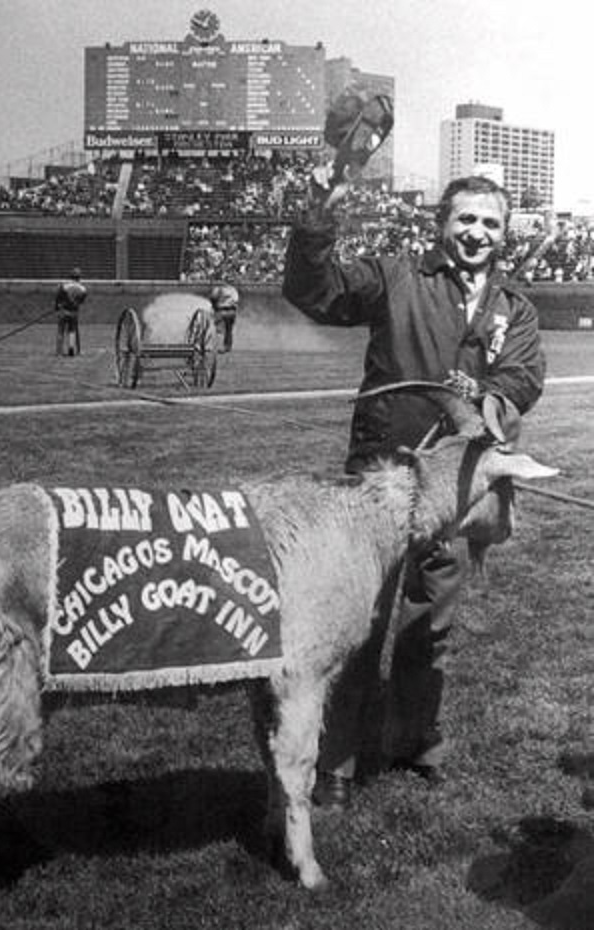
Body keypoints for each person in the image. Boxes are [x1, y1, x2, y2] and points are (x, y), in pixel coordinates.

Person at [282, 172, 546, 809]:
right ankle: (336, 764)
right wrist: (317, 223)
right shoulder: (398, 276)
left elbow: (524, 375)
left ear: (503, 233)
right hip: (375, 488)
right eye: (465, 220)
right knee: (359, 628)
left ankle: (414, 743)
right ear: (442, 223)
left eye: (489, 223)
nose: (476, 233)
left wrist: (483, 400)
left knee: (429, 627)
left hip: (453, 495)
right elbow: (318, 291)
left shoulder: (516, 305)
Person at [55, 267, 87, 356]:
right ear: (79, 277)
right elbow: (81, 301)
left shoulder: (64, 286)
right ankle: (71, 349)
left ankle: (59, 352)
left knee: (60, 331)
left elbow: (58, 298)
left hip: (63, 311)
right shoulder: (83, 289)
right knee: (72, 331)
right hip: (74, 312)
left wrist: (57, 307)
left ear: (70, 276)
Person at [209, 284, 239, 353]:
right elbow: (236, 301)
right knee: (229, 330)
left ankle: (219, 347)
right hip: (232, 312)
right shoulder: (234, 290)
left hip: (221, 311)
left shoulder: (218, 289)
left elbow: (213, 298)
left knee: (219, 330)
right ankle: (228, 347)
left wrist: (214, 306)